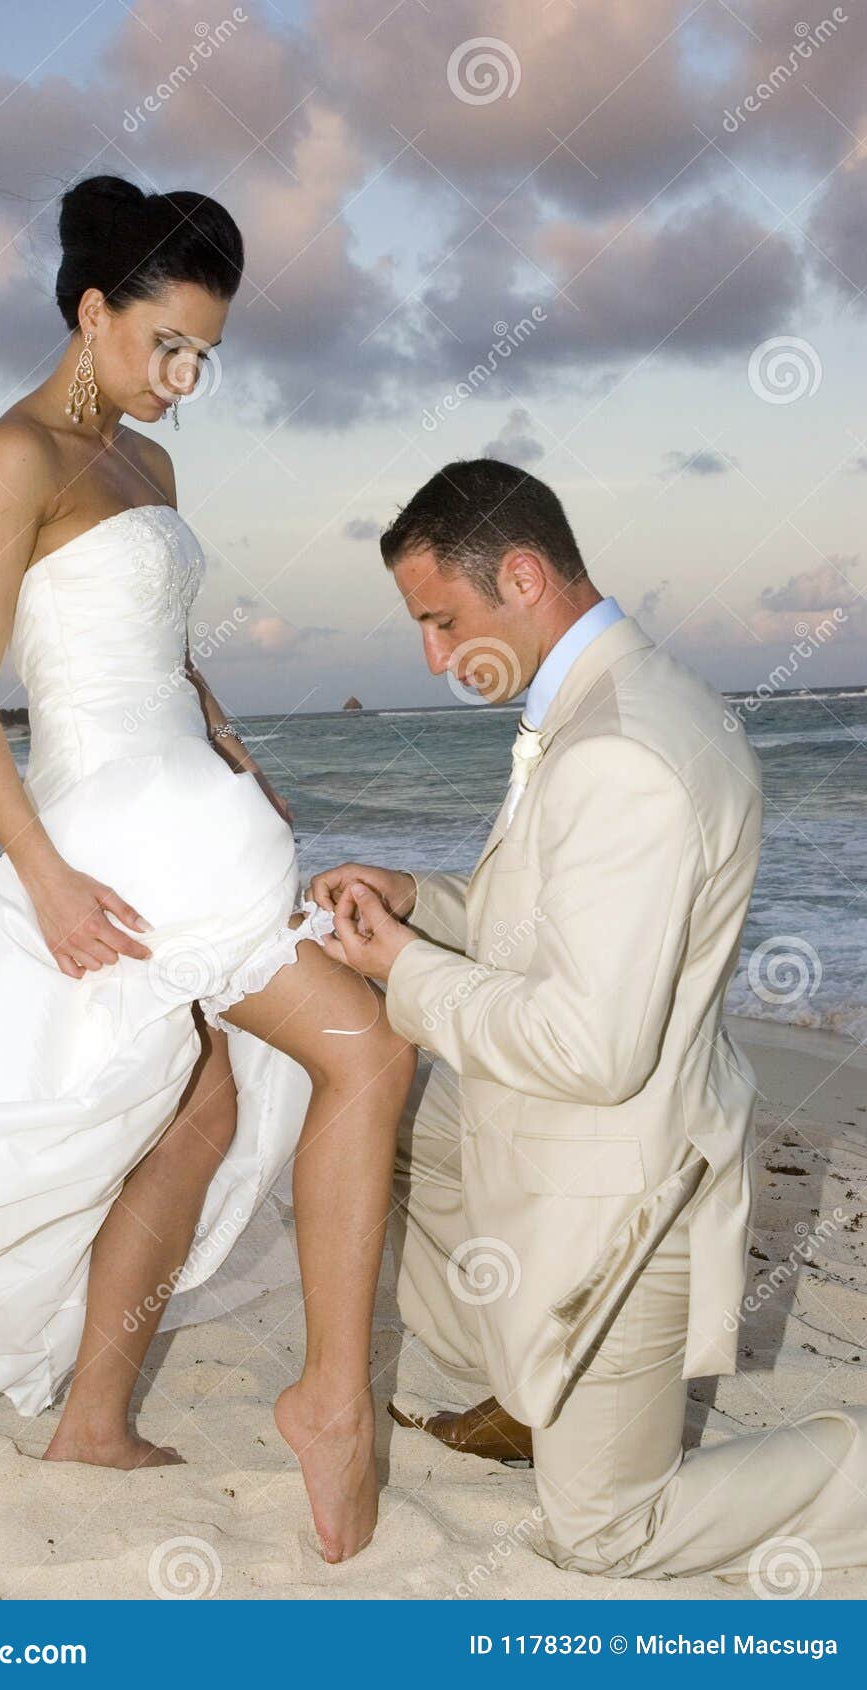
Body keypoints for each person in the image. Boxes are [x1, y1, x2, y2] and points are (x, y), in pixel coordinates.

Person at [0, 174, 415, 1565]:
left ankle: (92, 1419)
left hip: (191, 802)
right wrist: (49, 879)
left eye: (207, 353)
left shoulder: (153, 464)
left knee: (195, 1116)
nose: (188, 379)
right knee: (366, 1058)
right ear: (94, 311)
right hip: (116, 838)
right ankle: (332, 1403)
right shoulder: (12, 454)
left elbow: (157, 644)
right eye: (169, 345)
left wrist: (227, 732)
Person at [312, 457, 867, 1578]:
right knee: (349, 1106)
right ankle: (525, 1382)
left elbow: (590, 1045)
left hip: (615, 1207)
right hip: (562, 1147)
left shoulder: (617, 750)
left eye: (438, 619)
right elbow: (557, 933)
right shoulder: (615, 704)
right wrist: (426, 903)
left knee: (605, 1532)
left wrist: (405, 968)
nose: (427, 654)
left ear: (520, 575)